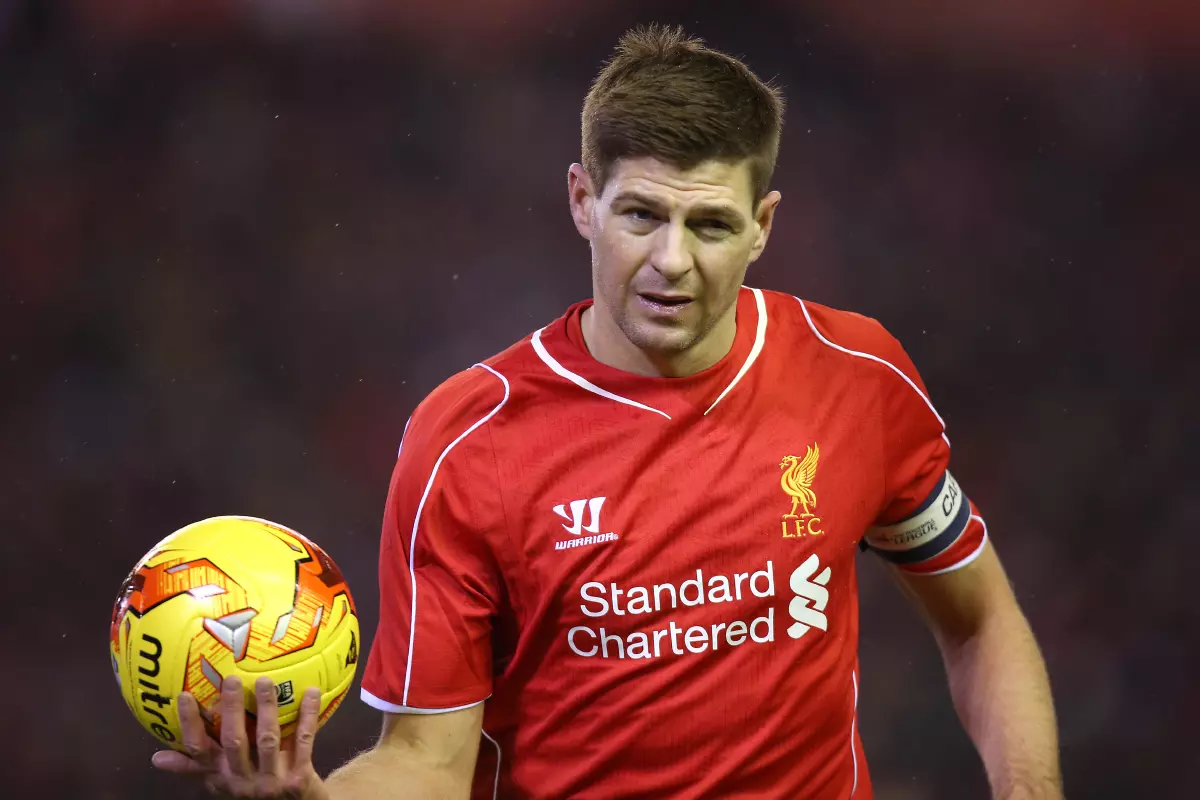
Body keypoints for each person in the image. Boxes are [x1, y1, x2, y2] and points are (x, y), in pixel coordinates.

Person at [152, 24, 1063, 800]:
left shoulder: (857, 375)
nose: (672, 260)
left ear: (763, 226)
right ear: (583, 202)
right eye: (641, 216)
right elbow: (428, 760)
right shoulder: (467, 442)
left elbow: (980, 621)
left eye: (710, 224)